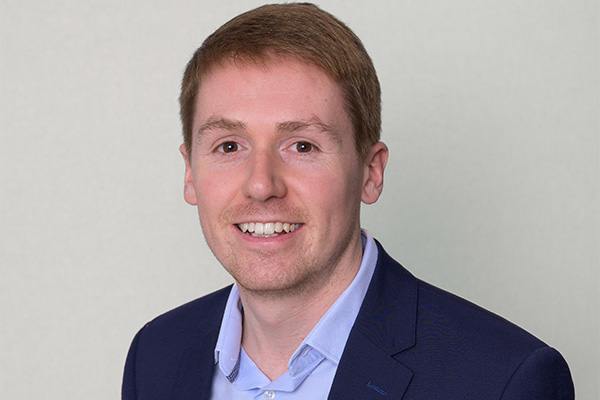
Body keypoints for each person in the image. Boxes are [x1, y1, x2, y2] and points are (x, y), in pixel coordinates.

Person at [122, 3, 574, 399]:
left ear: (371, 173)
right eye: (228, 146)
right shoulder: (155, 356)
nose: (261, 185)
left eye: (302, 146)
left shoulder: (504, 381)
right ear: (190, 173)